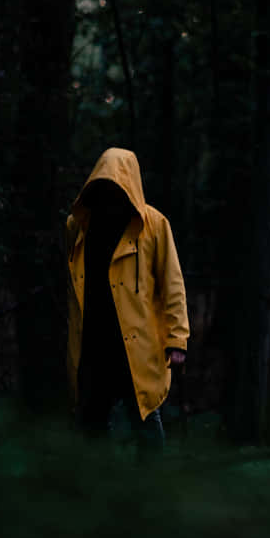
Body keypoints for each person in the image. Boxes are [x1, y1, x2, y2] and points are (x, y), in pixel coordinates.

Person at [66, 147, 189, 450]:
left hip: (138, 345)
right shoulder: (78, 225)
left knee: (146, 416)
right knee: (93, 419)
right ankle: (100, 485)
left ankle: (152, 484)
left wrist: (177, 340)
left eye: (117, 184)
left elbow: (172, 283)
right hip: (93, 343)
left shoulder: (154, 225)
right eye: (104, 184)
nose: (111, 190)